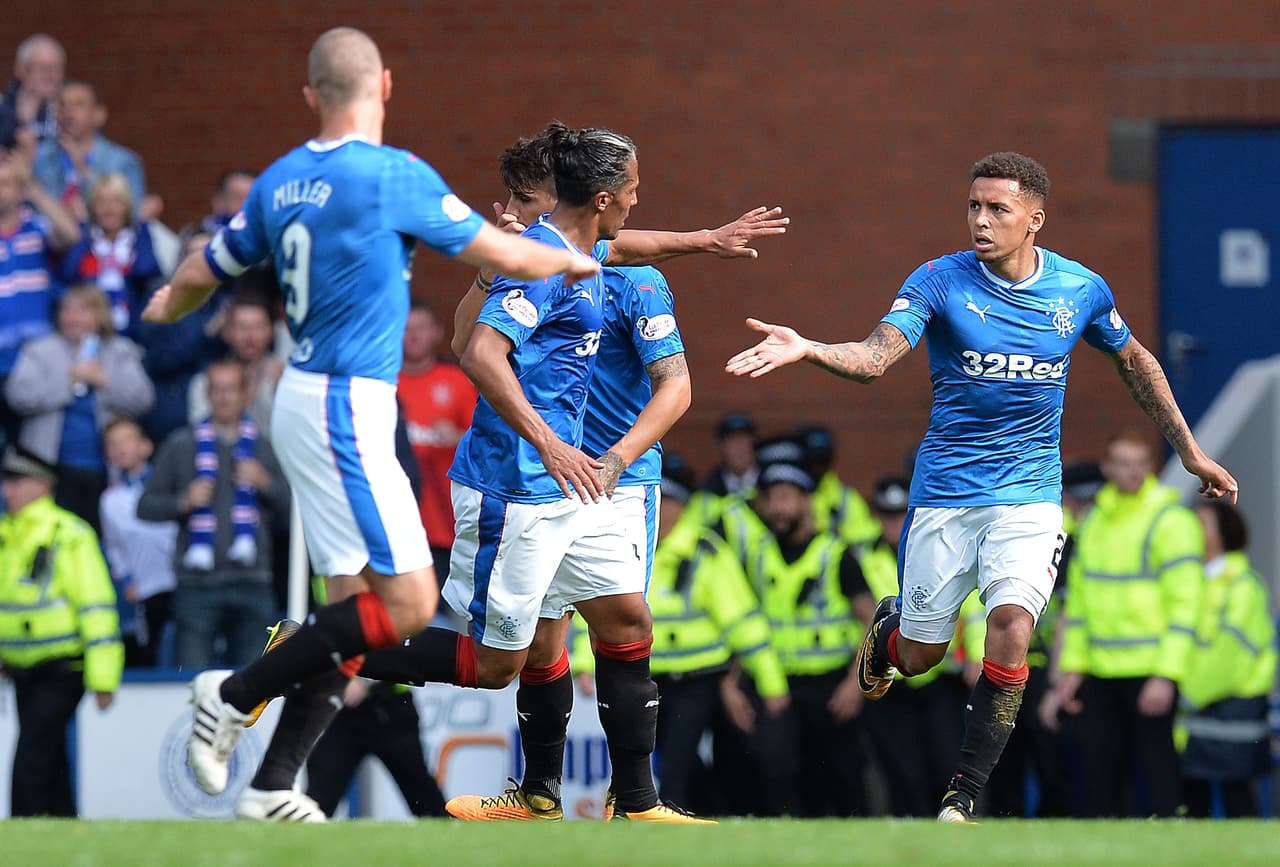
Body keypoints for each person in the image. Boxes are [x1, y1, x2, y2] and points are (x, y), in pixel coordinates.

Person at [141, 26, 601, 821]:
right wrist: (574, 258)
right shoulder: (391, 175)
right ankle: (233, 691)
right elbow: (511, 254)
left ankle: (271, 784)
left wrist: (158, 312)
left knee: (350, 604)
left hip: (299, 398)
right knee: (410, 602)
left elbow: (199, 270)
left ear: (311, 95)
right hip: (344, 406)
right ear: (384, 85)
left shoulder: (280, 180)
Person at [725, 151, 1238, 823]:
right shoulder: (939, 280)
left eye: (997, 208)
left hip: (1029, 497)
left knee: (1011, 626)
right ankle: (890, 632)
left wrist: (1192, 451)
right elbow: (877, 356)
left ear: (1035, 219)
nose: (981, 220)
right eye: (973, 205)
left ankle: (962, 795)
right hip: (945, 496)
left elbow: (1134, 359)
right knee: (920, 657)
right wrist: (811, 347)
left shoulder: (1079, 289)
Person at [1054, 431, 1207, 817]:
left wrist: (1166, 674)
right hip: (1101, 671)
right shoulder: (1095, 522)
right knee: (1099, 777)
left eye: (1140, 463)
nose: (1131, 472)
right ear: (1106, 467)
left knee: (1158, 776)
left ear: (1151, 467)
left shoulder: (1170, 521)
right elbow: (1081, 605)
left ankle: (1170, 845)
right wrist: (1073, 668)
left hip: (1150, 668)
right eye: (1122, 463)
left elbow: (1187, 605)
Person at [727, 460, 876, 817]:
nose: (777, 509)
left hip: (832, 686)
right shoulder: (759, 557)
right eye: (770, 500)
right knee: (781, 774)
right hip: (780, 686)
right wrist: (732, 683)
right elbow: (747, 621)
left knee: (844, 778)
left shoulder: (836, 555)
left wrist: (856, 685)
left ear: (806, 502)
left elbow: (872, 622)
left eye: (786, 498)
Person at [137, 359, 289, 670]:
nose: (223, 398)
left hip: (253, 582)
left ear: (246, 394)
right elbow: (145, 506)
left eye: (231, 390)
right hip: (197, 586)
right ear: (207, 394)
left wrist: (266, 484)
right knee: (194, 683)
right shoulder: (182, 444)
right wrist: (183, 501)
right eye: (217, 390)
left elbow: (294, 514)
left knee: (255, 687)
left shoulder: (266, 447)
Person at [0, 445, 122, 817]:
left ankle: (21, 831)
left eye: (17, 481)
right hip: (23, 666)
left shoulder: (68, 533)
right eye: (7, 481)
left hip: (63, 666)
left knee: (32, 754)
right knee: (48, 755)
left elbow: (95, 605)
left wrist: (104, 677)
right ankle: (62, 822)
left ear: (42, 485)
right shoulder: (6, 534)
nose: (9, 490)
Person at [857, 477, 969, 817]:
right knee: (903, 769)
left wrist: (977, 655)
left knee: (945, 761)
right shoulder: (860, 556)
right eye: (887, 515)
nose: (893, 523)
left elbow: (972, 606)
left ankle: (948, 828)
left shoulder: (940, 549)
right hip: (890, 682)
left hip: (939, 677)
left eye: (899, 515)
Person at [6, 283, 155, 531]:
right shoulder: (40, 350)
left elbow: (143, 400)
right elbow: (17, 395)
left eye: (82, 311)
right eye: (67, 310)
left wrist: (104, 381)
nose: (72, 318)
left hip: (108, 470)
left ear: (100, 315)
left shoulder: (121, 350)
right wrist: (68, 383)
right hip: (52, 468)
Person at [1178, 500, 1275, 818]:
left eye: (1202, 523)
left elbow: (1230, 655)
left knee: (1236, 800)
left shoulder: (1243, 586)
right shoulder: (1191, 581)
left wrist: (1187, 693)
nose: (1194, 530)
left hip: (1231, 706)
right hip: (1196, 707)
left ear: (1225, 532)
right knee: (1192, 799)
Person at [0, 147, 80, 449]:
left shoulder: (36, 227)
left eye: (6, 183)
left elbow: (70, 234)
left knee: (30, 454)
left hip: (35, 360)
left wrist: (32, 187)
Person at [397, 299, 475, 584]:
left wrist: (457, 437)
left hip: (447, 522)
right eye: (406, 329)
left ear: (437, 332)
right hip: (398, 521)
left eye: (421, 328)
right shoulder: (381, 383)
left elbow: (484, 441)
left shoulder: (458, 381)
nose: (414, 335)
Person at [99, 416, 177, 667]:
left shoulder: (171, 486)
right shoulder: (110, 500)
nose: (120, 448)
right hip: (144, 588)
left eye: (127, 440)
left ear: (146, 446)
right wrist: (127, 579)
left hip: (180, 582)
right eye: (112, 444)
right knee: (149, 651)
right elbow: (114, 547)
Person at [59, 172, 164, 338]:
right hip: (87, 333)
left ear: (127, 206)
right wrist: (83, 230)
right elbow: (69, 273)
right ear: (92, 207)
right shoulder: (87, 240)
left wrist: (141, 224)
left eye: (117, 201)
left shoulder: (138, 236)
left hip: (131, 332)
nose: (109, 208)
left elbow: (148, 270)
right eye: (101, 202)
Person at [34, 81, 146, 221]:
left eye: (79, 105)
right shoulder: (38, 156)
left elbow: (132, 218)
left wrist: (84, 171)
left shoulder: (124, 162)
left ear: (99, 115)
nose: (69, 112)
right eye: (62, 105)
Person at [187, 293, 283, 438]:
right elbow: (199, 434)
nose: (250, 337)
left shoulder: (284, 377)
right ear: (227, 332)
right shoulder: (205, 380)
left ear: (271, 331)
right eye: (242, 327)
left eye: (258, 327)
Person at [4, 35, 64, 143]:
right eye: (44, 68)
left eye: (57, 68)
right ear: (21, 69)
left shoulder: (68, 110)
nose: (52, 76)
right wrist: (21, 124)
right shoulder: (3, 110)